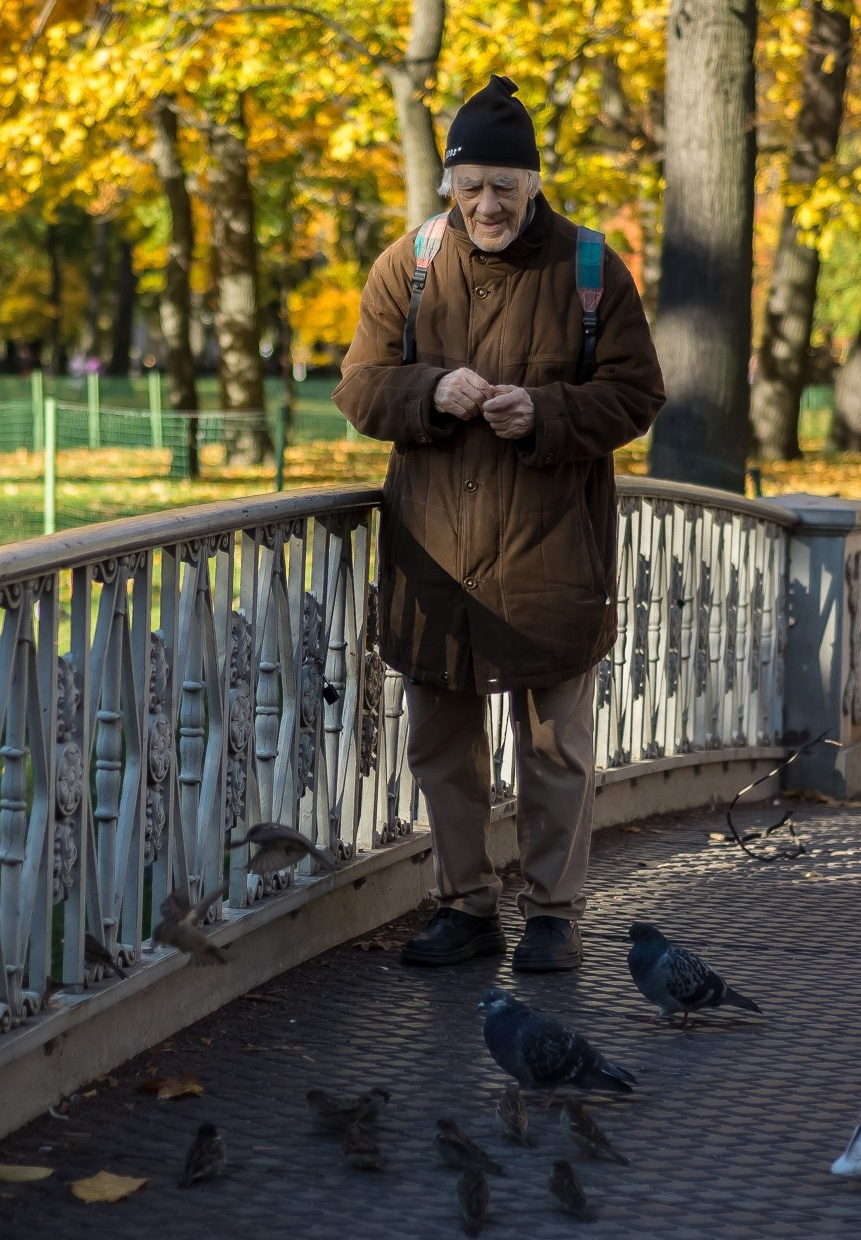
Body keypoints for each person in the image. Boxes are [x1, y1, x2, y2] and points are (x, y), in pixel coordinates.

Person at [331, 75, 665, 972]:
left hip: (551, 551)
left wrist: (548, 415)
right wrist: (429, 391)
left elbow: (637, 396)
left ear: (534, 184)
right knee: (442, 744)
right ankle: (465, 905)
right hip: (434, 554)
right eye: (470, 186)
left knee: (555, 748)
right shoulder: (408, 266)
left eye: (504, 190)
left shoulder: (591, 270)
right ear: (449, 181)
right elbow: (358, 389)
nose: (487, 205)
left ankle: (555, 913)